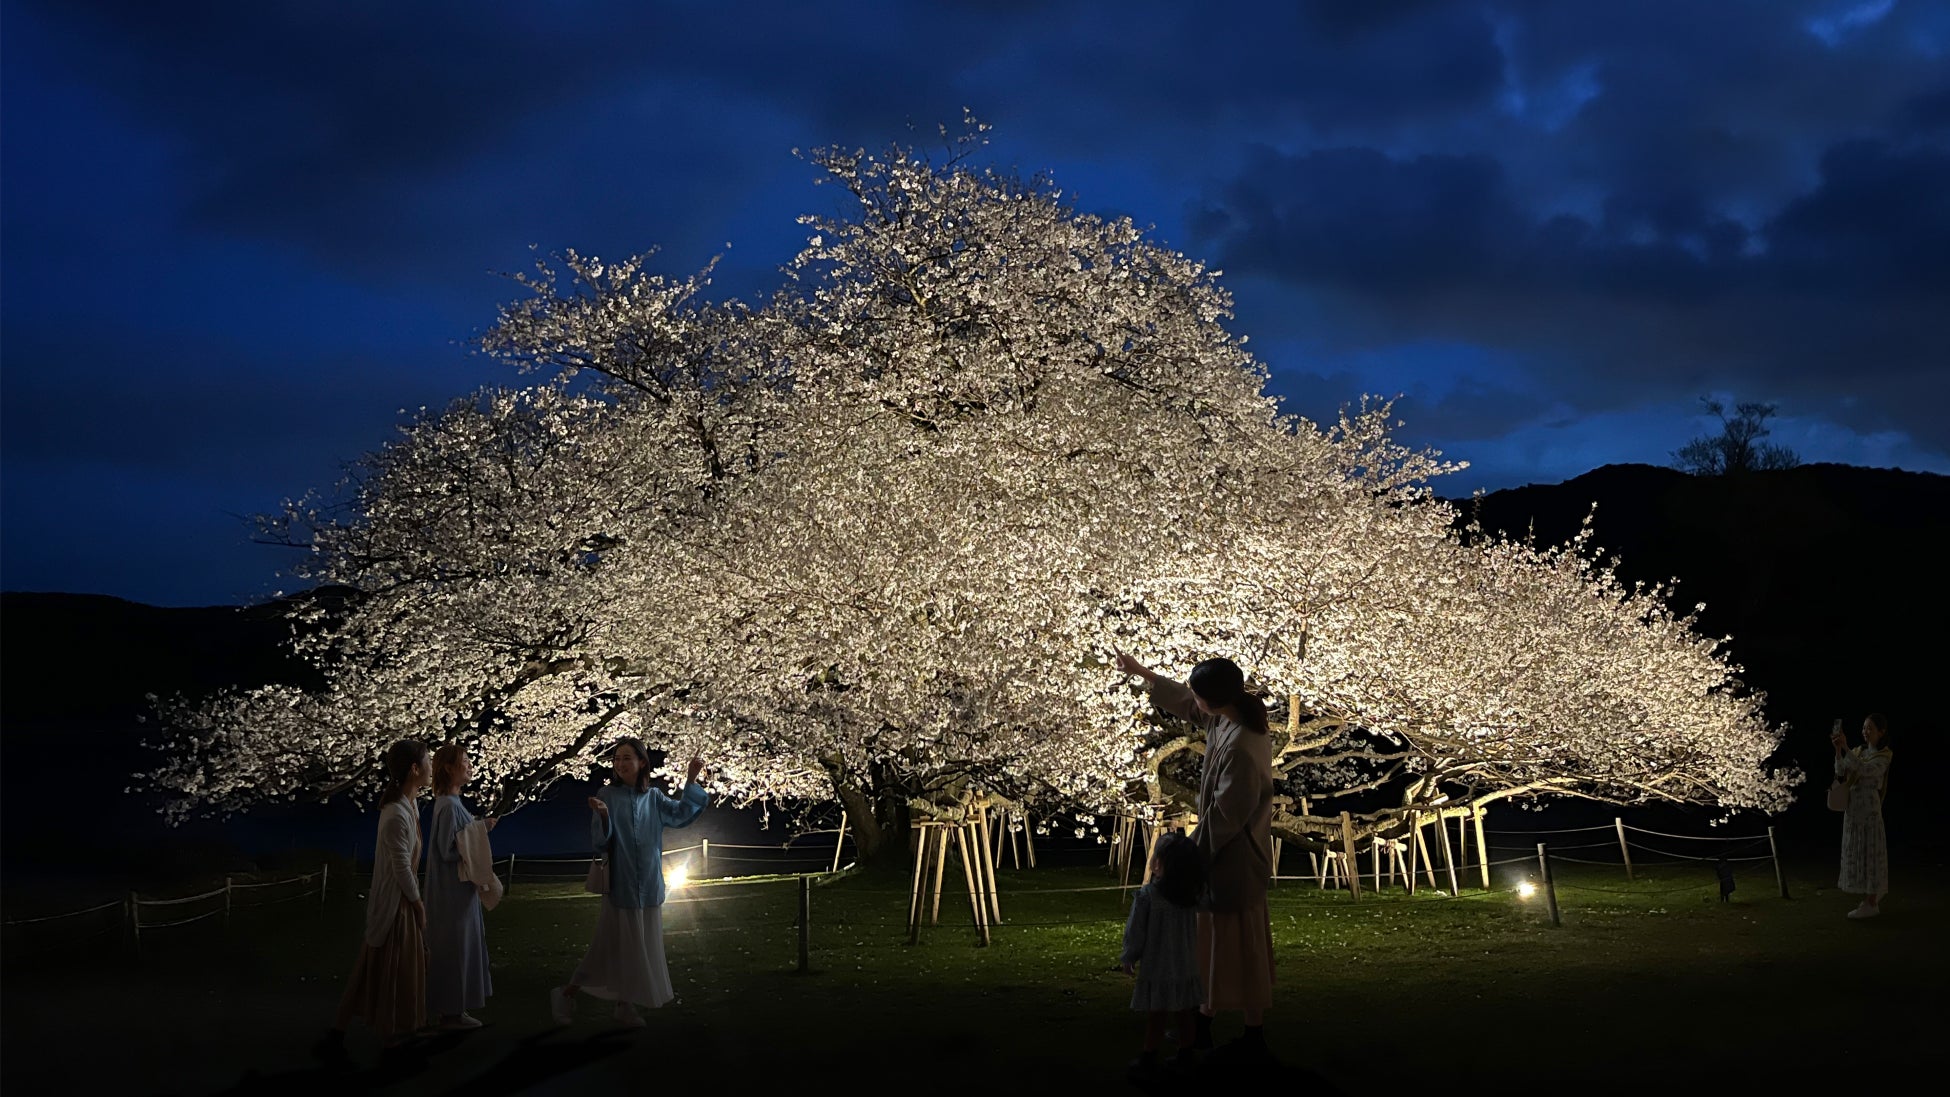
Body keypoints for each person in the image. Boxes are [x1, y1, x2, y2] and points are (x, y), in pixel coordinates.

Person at [1114, 652, 1276, 1068]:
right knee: (1217, 944)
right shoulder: (1228, 719)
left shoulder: (1241, 745)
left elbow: (1225, 816)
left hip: (1234, 859)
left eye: (1201, 694)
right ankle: (1207, 1022)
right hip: (1225, 858)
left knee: (1238, 946)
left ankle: (1249, 1034)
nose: (1195, 701)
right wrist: (1144, 675)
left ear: (1215, 698)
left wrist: (1185, 856)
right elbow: (1188, 702)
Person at [550, 738, 708, 1029]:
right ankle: (567, 993)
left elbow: (681, 815)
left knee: (639, 949)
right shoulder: (606, 794)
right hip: (620, 887)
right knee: (606, 946)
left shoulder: (654, 798)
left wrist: (691, 779)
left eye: (626, 758)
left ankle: (624, 1006)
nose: (620, 764)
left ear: (642, 762)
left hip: (648, 885)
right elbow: (600, 841)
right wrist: (604, 815)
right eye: (616, 759)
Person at [317, 739, 432, 1059]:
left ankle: (347, 1033)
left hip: (398, 903)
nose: (431, 767)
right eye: (428, 762)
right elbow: (400, 868)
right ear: (414, 769)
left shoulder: (408, 806)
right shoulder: (396, 813)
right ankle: (387, 1038)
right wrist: (418, 903)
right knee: (390, 969)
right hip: (395, 905)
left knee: (380, 968)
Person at [1119, 830, 1207, 1082]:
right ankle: (1185, 1053)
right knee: (1184, 1013)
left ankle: (1148, 1056)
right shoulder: (1190, 897)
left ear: (1159, 862)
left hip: (1158, 966)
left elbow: (1136, 930)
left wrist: (1129, 956)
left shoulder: (1148, 897)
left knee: (1157, 1014)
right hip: (1185, 965)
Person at [426, 743, 496, 1030]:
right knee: (455, 948)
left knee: (460, 947)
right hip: (452, 894)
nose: (469, 766)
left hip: (458, 892)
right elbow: (447, 849)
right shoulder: (448, 805)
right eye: (464, 761)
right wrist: (483, 830)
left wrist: (478, 829)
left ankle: (455, 1008)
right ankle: (451, 1012)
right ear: (448, 768)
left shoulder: (450, 803)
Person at [1830, 714, 1893, 918]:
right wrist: (1839, 750)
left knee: (1871, 853)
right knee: (1859, 851)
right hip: (1854, 809)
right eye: (1864, 727)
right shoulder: (1859, 751)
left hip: (1869, 810)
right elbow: (1841, 771)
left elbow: (1866, 771)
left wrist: (1847, 749)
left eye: (1870, 728)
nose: (1865, 731)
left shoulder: (1883, 755)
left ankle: (1872, 901)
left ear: (1881, 732)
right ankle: (1870, 898)